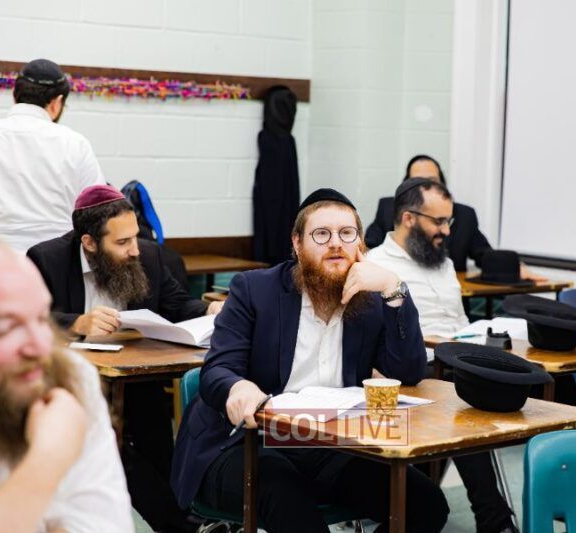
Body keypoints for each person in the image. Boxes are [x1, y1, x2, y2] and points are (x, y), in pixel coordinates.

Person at [171, 189, 449, 532]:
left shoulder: (372, 299)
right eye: (321, 234)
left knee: (424, 505)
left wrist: (394, 289)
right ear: (297, 243)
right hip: (245, 442)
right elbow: (217, 369)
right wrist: (238, 387)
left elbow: (407, 372)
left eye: (347, 233)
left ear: (360, 244)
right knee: (290, 504)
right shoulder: (254, 290)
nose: (336, 244)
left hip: (329, 444)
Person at [27, 184, 222, 532]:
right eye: (122, 242)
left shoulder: (148, 255)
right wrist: (77, 323)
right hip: (69, 383)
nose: (134, 249)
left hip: (133, 376)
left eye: (135, 237)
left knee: (157, 440)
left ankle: (188, 521)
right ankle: (185, 525)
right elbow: (31, 319)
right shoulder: (46, 259)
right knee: (113, 445)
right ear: (89, 242)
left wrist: (210, 310)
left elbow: (177, 305)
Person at [366, 178, 516, 532]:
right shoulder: (375, 266)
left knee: (537, 383)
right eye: (439, 221)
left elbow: (460, 322)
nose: (447, 231)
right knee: (461, 406)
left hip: (456, 364)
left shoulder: (443, 263)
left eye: (450, 221)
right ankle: (493, 519)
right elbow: (374, 340)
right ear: (408, 218)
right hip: (412, 373)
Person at [0, 227, 133, 532]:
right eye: (4, 327)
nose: (40, 347)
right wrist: (47, 461)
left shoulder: (69, 378)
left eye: (42, 318)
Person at [0, 58, 106, 253]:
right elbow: (98, 211)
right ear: (57, 103)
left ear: (15, 95)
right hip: (57, 262)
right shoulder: (76, 144)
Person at [365, 155, 544, 281]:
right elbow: (369, 247)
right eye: (418, 181)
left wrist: (515, 268)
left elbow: (484, 254)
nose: (425, 188)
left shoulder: (464, 215)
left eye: (432, 181)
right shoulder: (389, 209)